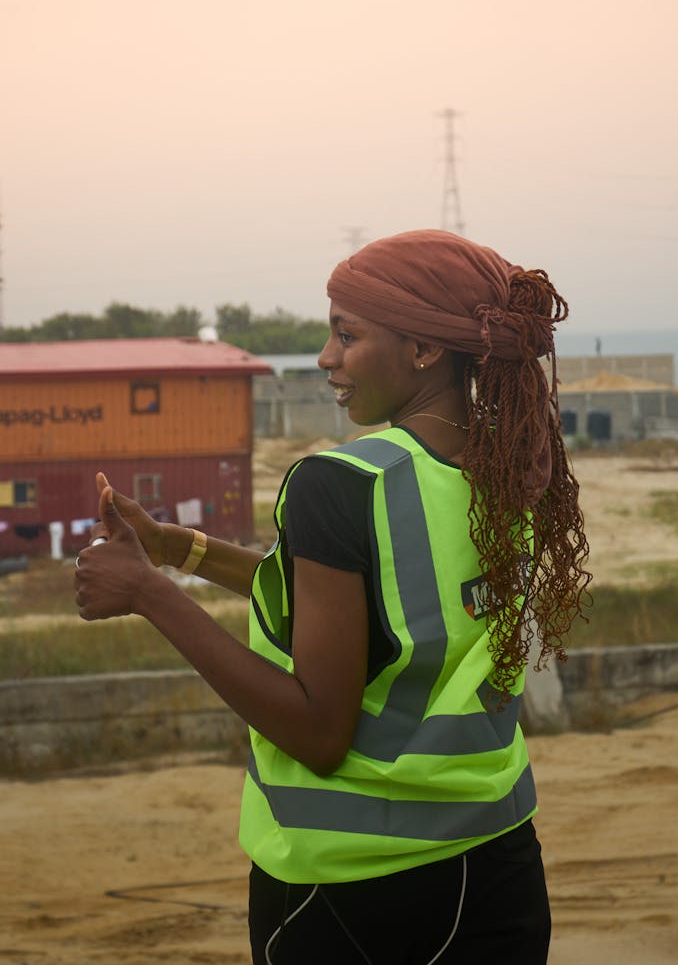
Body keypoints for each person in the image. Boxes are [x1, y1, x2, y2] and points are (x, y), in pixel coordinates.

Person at [75, 229, 590, 965]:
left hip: (353, 896)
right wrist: (175, 550)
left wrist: (150, 595)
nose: (324, 358)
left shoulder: (343, 481)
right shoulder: (509, 467)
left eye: (346, 334)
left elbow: (319, 732)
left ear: (423, 349)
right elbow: (364, 616)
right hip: (500, 869)